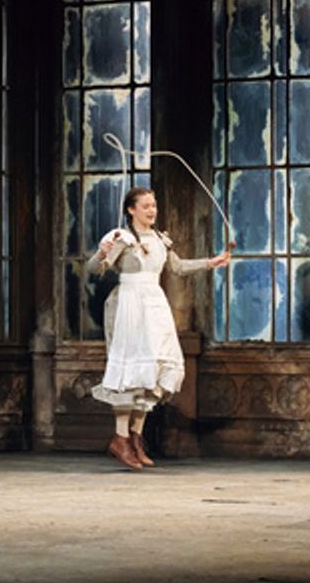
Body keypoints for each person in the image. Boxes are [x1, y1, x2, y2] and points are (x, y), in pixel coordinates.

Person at [87, 186, 230, 470]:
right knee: (130, 371)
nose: (152, 210)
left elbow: (177, 267)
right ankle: (120, 437)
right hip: (129, 304)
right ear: (131, 210)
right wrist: (101, 253)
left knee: (152, 371)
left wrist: (209, 263)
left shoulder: (161, 239)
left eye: (154, 205)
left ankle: (136, 437)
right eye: (146, 206)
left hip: (154, 305)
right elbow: (94, 270)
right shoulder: (122, 238)